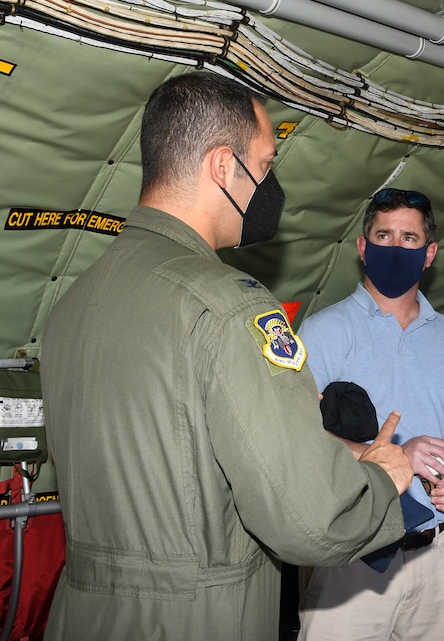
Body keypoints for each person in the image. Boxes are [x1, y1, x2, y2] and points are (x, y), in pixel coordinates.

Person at [39, 72, 413, 641]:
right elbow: (310, 518)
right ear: (222, 166)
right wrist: (383, 481)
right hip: (197, 618)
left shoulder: (71, 305)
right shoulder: (229, 307)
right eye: (264, 166)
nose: (269, 186)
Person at [296, 187, 444, 641]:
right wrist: (389, 456)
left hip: (437, 556)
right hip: (352, 555)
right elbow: (296, 435)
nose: (394, 247)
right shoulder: (323, 331)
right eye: (383, 235)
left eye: (408, 239)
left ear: (429, 254)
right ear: (362, 247)